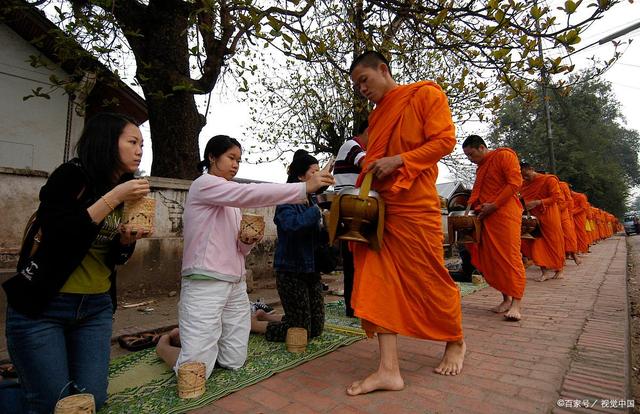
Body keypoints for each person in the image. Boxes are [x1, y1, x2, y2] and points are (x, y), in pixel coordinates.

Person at [1, 112, 151, 413]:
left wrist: (126, 241)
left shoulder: (128, 188)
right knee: (50, 403)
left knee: (89, 400)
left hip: (95, 307)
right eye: (132, 142)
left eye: (142, 144)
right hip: (44, 306)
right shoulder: (71, 176)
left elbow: (116, 257)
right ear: (108, 142)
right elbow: (60, 234)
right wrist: (114, 196)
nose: (139, 150)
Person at [155, 136, 334, 379]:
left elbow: (239, 248)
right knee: (196, 371)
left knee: (233, 360)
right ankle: (164, 345)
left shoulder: (230, 201)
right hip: (205, 281)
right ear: (211, 157)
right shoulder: (204, 184)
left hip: (234, 282)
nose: (235, 164)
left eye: (239, 160)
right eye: (231, 158)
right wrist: (304, 188)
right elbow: (248, 192)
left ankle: (197, 340)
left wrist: (246, 242)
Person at [346, 51, 465, 396]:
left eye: (364, 80)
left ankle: (455, 339)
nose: (362, 89)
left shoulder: (425, 94)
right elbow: (373, 156)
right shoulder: (379, 115)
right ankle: (388, 370)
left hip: (416, 205)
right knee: (375, 282)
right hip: (383, 211)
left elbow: (444, 141)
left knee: (430, 277)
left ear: (383, 70)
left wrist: (398, 160)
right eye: (357, 86)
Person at [260, 150, 327, 342]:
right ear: (300, 176)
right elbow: (291, 226)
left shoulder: (313, 199)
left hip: (311, 269)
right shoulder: (287, 199)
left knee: (316, 329)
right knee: (301, 332)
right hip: (291, 270)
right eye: (313, 172)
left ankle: (265, 316)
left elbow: (316, 236)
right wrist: (316, 212)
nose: (318, 175)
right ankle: (254, 325)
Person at [462, 135, 526, 321]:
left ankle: (516, 304)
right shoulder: (481, 168)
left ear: (482, 147)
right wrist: (468, 213)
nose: (470, 159)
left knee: (510, 257)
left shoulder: (504, 156)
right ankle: (505, 299)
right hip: (485, 216)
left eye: (471, 154)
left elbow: (514, 183)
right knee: (493, 260)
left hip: (505, 215)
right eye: (467, 156)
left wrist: (495, 205)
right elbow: (476, 192)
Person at [333, 122, 369, 317]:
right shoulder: (351, 146)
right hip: (348, 207)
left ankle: (358, 303)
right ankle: (353, 305)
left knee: (357, 260)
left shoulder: (357, 148)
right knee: (352, 261)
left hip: (355, 206)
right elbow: (368, 164)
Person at [519, 163, 565, 281]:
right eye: (522, 176)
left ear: (531, 169)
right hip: (533, 218)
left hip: (549, 215)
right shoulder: (524, 185)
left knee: (554, 242)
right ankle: (544, 272)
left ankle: (559, 269)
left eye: (526, 175)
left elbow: (556, 197)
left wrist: (537, 202)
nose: (525, 178)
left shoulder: (549, 180)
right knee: (536, 244)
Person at [558, 181, 580, 265]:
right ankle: (562, 257)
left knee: (568, 236)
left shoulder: (562, 186)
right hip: (551, 214)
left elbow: (569, 202)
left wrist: (570, 212)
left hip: (564, 215)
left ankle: (574, 255)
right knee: (557, 237)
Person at [570, 190, 590, 254]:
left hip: (580, 217)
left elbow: (583, 208)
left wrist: (573, 212)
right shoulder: (570, 197)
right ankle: (576, 249)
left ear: (570, 191)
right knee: (573, 233)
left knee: (581, 233)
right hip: (572, 217)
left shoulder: (581, 197)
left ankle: (583, 248)